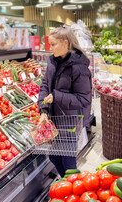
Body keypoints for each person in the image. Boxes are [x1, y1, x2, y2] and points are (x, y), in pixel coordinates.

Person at [37, 26, 92, 177]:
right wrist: (44, 110)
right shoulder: (53, 63)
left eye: (53, 44)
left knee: (69, 165)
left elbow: (84, 99)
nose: (50, 48)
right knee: (54, 156)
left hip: (70, 123)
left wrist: (57, 96)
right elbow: (44, 86)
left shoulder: (79, 68)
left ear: (66, 43)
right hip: (55, 121)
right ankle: (67, 186)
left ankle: (74, 193)